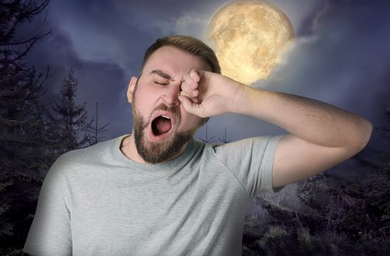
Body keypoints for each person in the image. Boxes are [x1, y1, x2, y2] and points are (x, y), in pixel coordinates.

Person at [24, 35, 372, 256]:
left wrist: (241, 96)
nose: (171, 97)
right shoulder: (72, 172)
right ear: (132, 90)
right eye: (159, 80)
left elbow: (353, 134)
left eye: (190, 92)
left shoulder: (231, 168)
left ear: (205, 116)